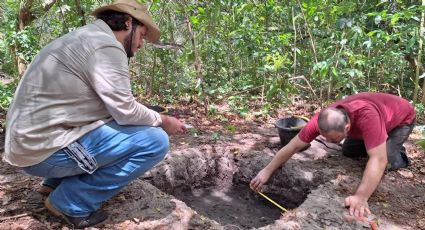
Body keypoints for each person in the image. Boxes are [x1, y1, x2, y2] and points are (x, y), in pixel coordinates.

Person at [3, 0, 186, 228]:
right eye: (142, 35)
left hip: (30, 145)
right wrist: (163, 120)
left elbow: (106, 106)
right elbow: (126, 111)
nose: (141, 45)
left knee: (132, 125)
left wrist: (147, 113)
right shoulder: (106, 46)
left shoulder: (84, 38)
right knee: (155, 140)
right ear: (128, 23)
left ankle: (55, 183)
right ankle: (71, 202)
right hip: (43, 152)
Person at [250, 92, 415, 220]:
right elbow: (293, 146)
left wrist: (360, 196)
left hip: (401, 120)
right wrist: (267, 170)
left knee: (384, 162)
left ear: (347, 128)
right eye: (325, 138)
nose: (330, 142)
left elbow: (378, 160)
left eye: (334, 139)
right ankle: (377, 142)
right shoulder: (322, 120)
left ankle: (396, 153)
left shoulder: (367, 117)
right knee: (348, 152)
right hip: (371, 124)